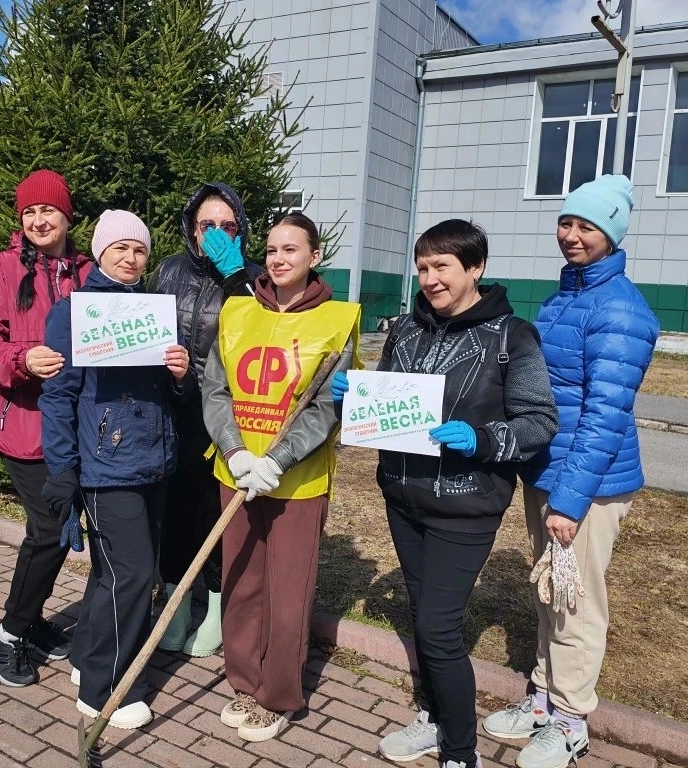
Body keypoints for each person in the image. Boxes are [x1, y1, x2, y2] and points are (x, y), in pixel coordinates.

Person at [335, 219, 557, 768]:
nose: (431, 278)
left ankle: (461, 751)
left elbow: (538, 421)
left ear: (475, 268)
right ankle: (433, 719)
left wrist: (482, 440)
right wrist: (352, 400)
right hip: (403, 498)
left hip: (466, 504)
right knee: (423, 615)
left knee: (437, 629)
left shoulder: (512, 336)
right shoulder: (406, 330)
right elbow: (386, 406)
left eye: (443, 266)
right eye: (423, 267)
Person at [483, 175, 659, 768]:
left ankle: (571, 720)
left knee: (576, 603)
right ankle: (543, 698)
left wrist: (570, 499)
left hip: (586, 484)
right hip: (550, 471)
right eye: (567, 222)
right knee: (551, 594)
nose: (572, 235)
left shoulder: (619, 309)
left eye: (588, 226)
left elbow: (607, 415)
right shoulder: (567, 296)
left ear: (612, 235)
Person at [202, 212, 360, 742]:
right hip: (237, 472)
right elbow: (215, 389)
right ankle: (245, 683)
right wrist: (235, 452)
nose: (278, 259)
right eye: (271, 250)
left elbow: (328, 406)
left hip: (297, 481)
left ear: (315, 256)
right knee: (242, 583)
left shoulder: (337, 320)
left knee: (288, 592)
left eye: (291, 249)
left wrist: (279, 459)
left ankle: (278, 696)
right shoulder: (237, 311)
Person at [39, 209, 191, 728]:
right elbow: (58, 395)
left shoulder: (154, 311)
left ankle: (87, 657)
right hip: (106, 466)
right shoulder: (74, 313)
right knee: (134, 574)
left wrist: (179, 375)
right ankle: (106, 691)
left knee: (111, 572)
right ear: (100, 252)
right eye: (120, 248)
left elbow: (169, 394)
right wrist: (63, 468)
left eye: (139, 249)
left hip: (155, 461)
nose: (130, 258)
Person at [0, 169, 92, 687]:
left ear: (67, 216)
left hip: (79, 432)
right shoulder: (0, 269)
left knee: (60, 531)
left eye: (48, 210)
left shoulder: (89, 271)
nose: (39, 221)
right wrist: (22, 360)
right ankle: (10, 632)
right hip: (24, 428)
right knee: (51, 530)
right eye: (30, 212)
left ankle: (32, 621)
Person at [152, 183, 263, 657]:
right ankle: (175, 607)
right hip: (173, 411)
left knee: (217, 515)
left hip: (225, 417)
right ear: (192, 228)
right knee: (176, 516)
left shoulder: (253, 277)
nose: (216, 233)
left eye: (227, 226)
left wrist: (235, 275)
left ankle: (217, 609)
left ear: (240, 231)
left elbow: (262, 336)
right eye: (207, 224)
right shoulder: (168, 270)